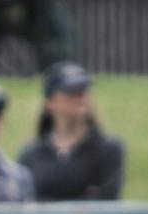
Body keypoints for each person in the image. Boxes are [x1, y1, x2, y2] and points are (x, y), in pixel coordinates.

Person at [15, 62, 124, 201]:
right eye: (71, 92)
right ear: (50, 103)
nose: (81, 97)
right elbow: (24, 203)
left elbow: (107, 203)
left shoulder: (107, 149)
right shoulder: (31, 154)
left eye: (84, 91)